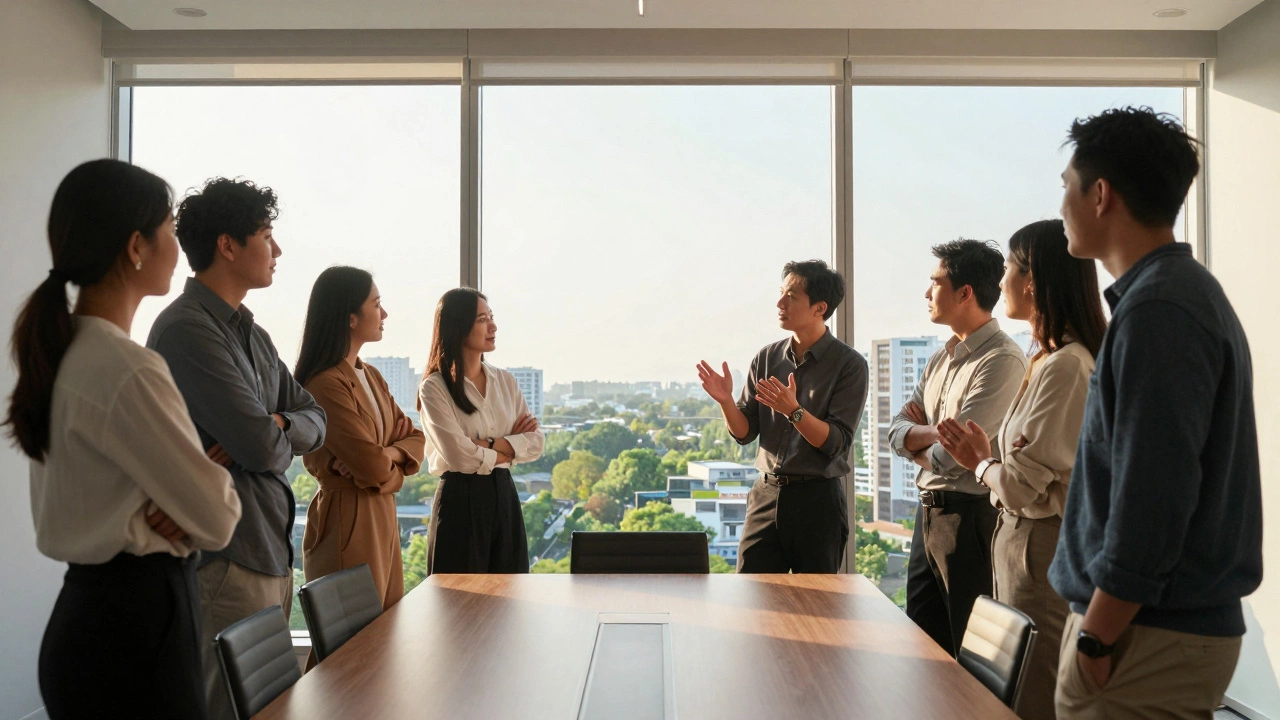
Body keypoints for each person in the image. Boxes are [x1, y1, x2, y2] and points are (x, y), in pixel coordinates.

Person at [7, 160, 242, 718]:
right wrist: (180, 503)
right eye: (167, 231)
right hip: (138, 630)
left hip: (87, 620)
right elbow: (219, 514)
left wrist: (173, 503)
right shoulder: (125, 367)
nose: (177, 249)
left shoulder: (66, 350)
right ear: (136, 245)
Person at [1047, 107, 1261, 720]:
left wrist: (1096, 635)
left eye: (1067, 186)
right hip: (1146, 630)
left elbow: (1153, 496)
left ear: (1101, 195)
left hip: (1142, 637)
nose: (1062, 202)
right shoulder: (1174, 294)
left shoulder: (1159, 309)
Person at [147, 177, 326, 720]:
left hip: (267, 550)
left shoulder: (252, 333)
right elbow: (265, 449)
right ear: (228, 245)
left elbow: (317, 421)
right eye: (267, 235)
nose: (277, 250)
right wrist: (272, 431)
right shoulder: (186, 331)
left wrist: (276, 422)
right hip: (225, 558)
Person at [936, 219, 1107, 720]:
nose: (1003, 280)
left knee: (1032, 698)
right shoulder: (1045, 360)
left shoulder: (1066, 366)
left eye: (1009, 268)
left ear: (1032, 281)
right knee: (1014, 693)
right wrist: (992, 462)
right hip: (1020, 546)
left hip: (1040, 548)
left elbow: (1016, 484)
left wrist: (979, 460)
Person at [889, 239, 1027, 657]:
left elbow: (950, 460)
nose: (926, 293)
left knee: (970, 654)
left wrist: (920, 438)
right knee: (924, 644)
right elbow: (895, 432)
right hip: (927, 514)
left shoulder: (1001, 360)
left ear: (965, 292)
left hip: (969, 521)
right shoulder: (939, 359)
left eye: (935, 283)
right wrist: (931, 434)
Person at [698, 259, 867, 573]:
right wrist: (725, 402)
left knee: (817, 606)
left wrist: (793, 411)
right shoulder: (767, 357)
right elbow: (745, 432)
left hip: (816, 502)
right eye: (781, 293)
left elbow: (835, 443)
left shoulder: (849, 365)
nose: (779, 303)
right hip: (765, 494)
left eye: (791, 296)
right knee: (752, 599)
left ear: (819, 308)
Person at [296, 266, 426, 614]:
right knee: (350, 647)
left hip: (382, 513)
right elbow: (370, 465)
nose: (384, 314)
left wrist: (389, 456)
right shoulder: (325, 383)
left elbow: (415, 438)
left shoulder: (371, 375)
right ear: (350, 317)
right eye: (377, 304)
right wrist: (390, 463)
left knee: (383, 637)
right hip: (347, 519)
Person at [417, 288, 544, 573]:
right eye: (482, 319)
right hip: (459, 500)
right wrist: (510, 449)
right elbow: (460, 457)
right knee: (460, 603)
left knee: (511, 595)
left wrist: (485, 444)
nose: (493, 326)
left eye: (491, 317)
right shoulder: (434, 387)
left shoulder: (506, 382)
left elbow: (536, 443)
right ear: (459, 327)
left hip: (504, 495)